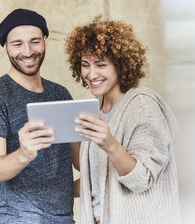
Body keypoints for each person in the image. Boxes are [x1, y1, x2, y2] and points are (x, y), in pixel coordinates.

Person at [65, 16, 181, 224]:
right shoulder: (96, 109)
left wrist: (109, 144)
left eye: (100, 64)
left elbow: (142, 178)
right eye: (85, 65)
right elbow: (100, 179)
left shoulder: (142, 106)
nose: (91, 74)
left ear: (121, 65)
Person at [0, 8, 76, 224]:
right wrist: (24, 153)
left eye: (35, 41)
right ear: (5, 47)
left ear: (45, 41)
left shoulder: (60, 94)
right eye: (17, 44)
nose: (28, 51)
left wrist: (98, 134)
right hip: (19, 216)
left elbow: (79, 162)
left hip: (64, 217)